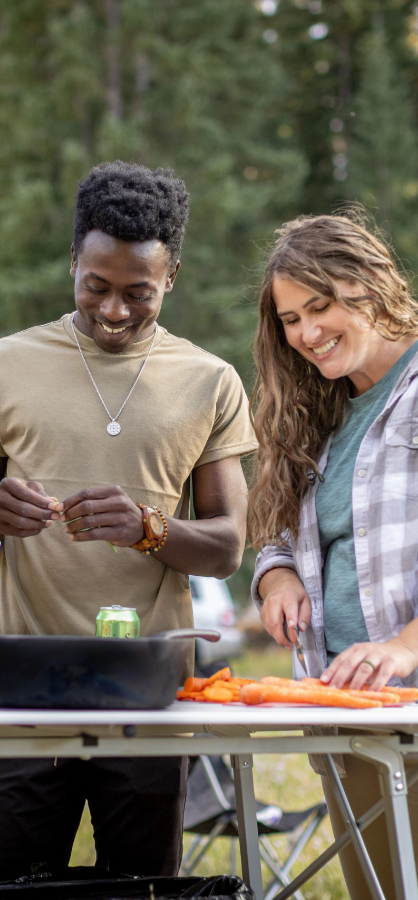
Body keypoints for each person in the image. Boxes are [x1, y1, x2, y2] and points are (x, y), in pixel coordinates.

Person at [0, 160, 258, 884]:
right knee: (9, 890)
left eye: (137, 293)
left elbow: (227, 548)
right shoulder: (2, 363)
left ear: (170, 277)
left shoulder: (209, 380)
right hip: (22, 691)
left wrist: (151, 528)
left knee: (141, 891)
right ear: (73, 265)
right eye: (97, 287)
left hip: (148, 691)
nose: (114, 310)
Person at [250, 214, 418, 900]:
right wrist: (278, 577)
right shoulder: (319, 410)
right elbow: (277, 534)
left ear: (372, 286)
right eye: (291, 318)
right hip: (343, 708)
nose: (306, 333)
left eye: (320, 307)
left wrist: (407, 645)